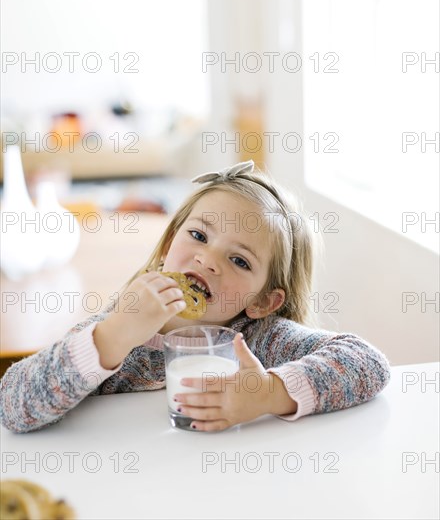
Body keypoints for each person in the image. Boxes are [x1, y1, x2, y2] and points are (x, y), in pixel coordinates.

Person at [0, 160, 391, 434]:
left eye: (239, 259)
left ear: (263, 302)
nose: (208, 259)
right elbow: (13, 405)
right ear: (170, 243)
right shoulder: (121, 329)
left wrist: (268, 394)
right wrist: (111, 338)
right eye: (199, 236)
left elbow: (368, 363)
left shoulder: (258, 339)